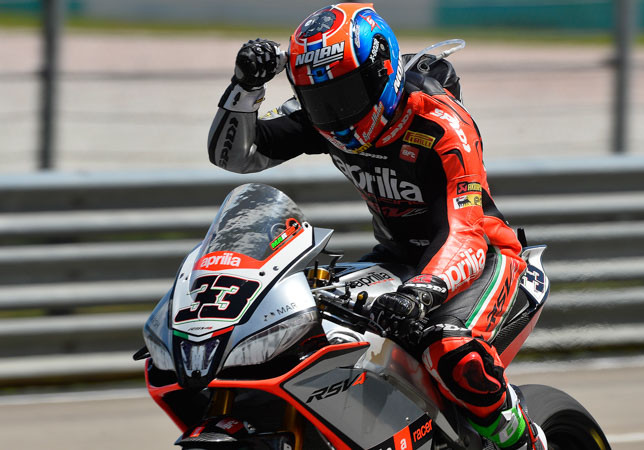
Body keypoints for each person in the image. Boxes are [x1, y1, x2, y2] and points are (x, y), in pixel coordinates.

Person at [207, 4, 545, 449]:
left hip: (486, 260)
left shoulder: (441, 124)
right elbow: (237, 156)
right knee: (306, 325)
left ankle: (523, 440)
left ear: (381, 73)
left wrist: (422, 292)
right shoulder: (322, 118)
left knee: (450, 349)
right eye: (319, 100)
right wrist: (245, 88)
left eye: (344, 96)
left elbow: (466, 229)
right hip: (396, 261)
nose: (333, 114)